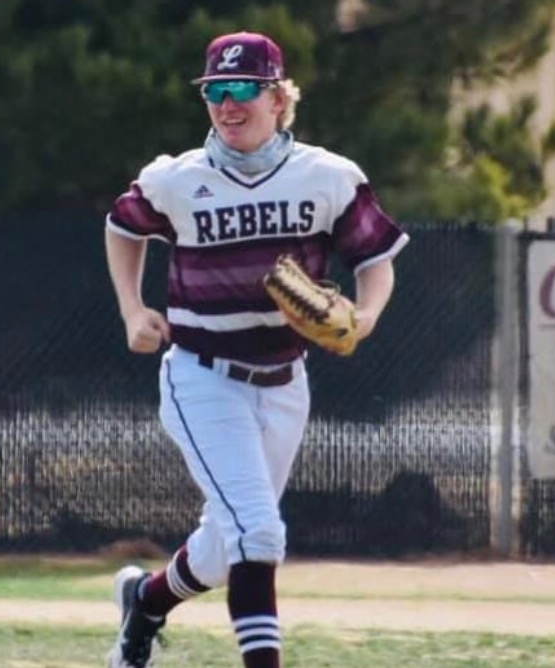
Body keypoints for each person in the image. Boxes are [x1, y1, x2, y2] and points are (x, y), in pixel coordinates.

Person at [103, 30, 409, 668]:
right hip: (202, 377)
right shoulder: (178, 179)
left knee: (226, 546)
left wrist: (367, 315)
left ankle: (145, 602)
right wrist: (132, 307)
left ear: (279, 97)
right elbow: (122, 226)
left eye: (243, 88)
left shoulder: (327, 177)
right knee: (259, 534)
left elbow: (375, 260)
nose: (227, 103)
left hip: (285, 382)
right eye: (215, 90)